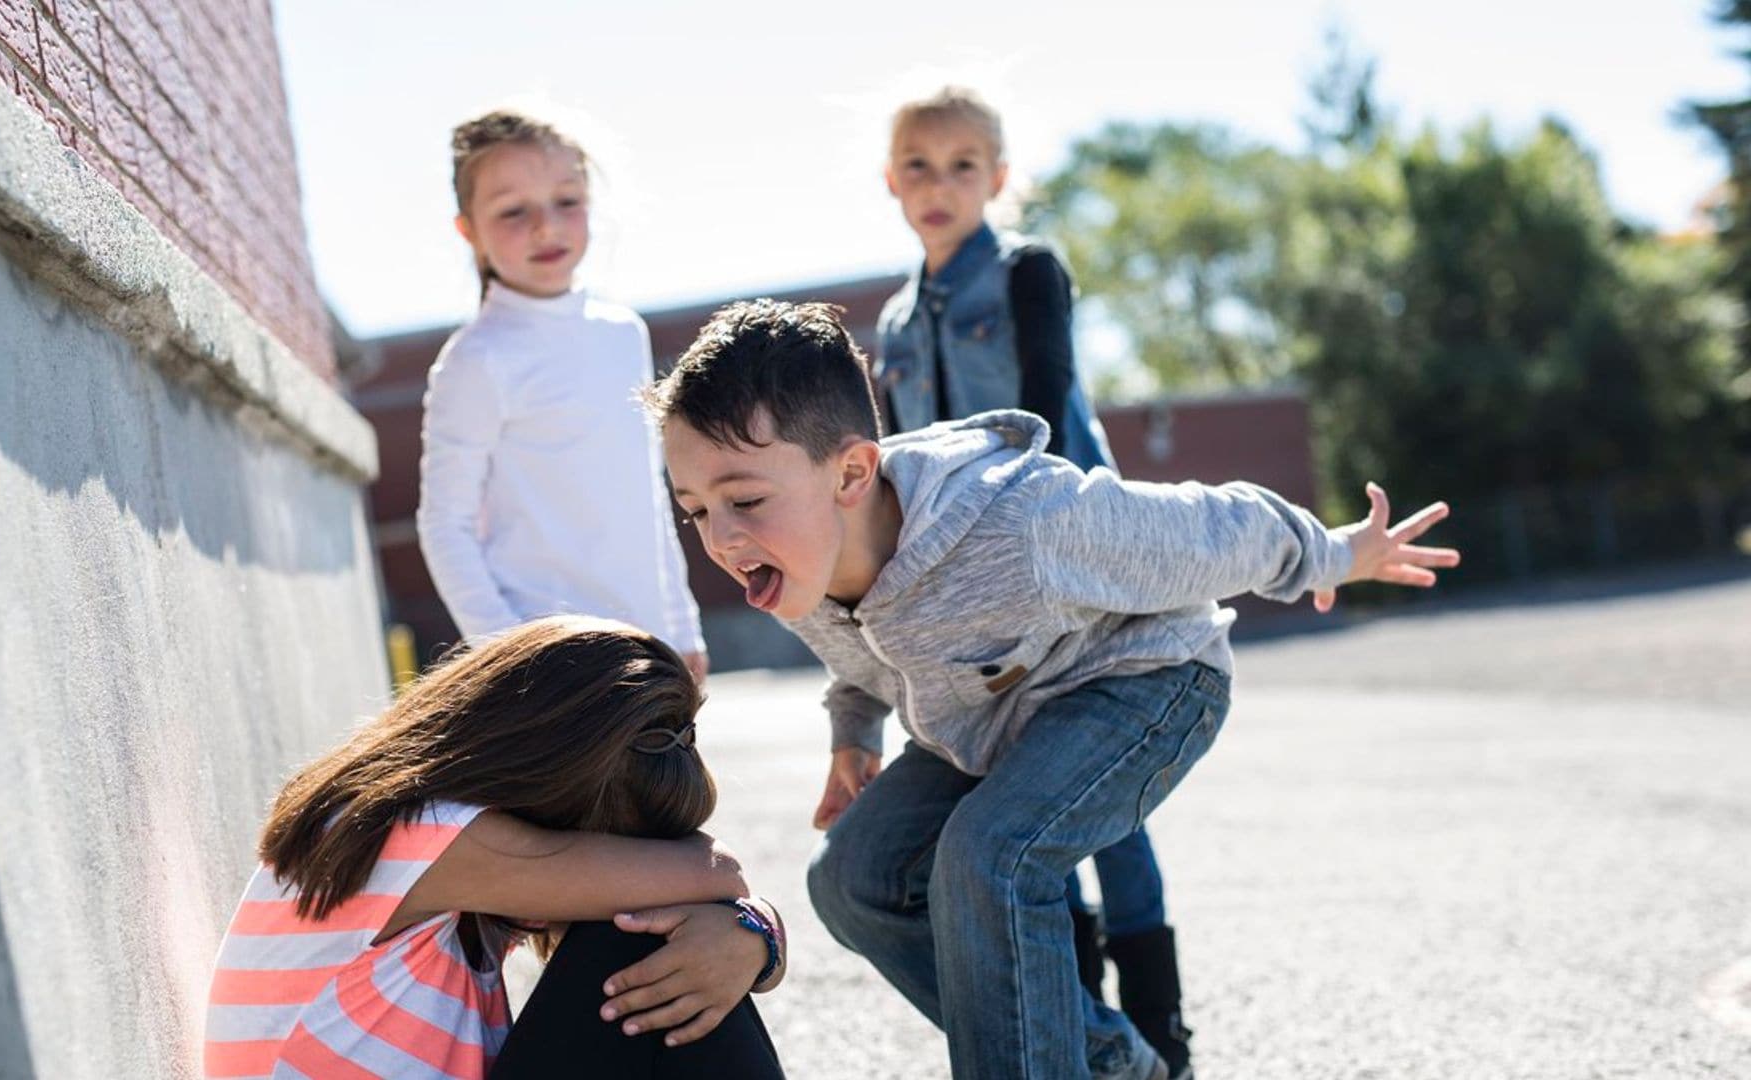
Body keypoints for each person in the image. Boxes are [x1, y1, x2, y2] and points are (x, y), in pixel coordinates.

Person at [646, 300, 1458, 1080]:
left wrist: (1335, 554)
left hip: (1145, 684)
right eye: (695, 511)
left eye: (744, 498)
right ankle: (1100, 1059)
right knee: (852, 878)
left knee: (988, 858)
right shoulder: (797, 560)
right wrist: (852, 732)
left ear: (852, 472)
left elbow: (1211, 527)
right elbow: (859, 657)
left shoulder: (1023, 522)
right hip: (993, 717)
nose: (721, 537)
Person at [872, 85, 1181, 1069]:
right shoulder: (891, 323)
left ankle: (1160, 1034)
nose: (940, 183)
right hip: (969, 600)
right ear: (891, 180)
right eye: (919, 164)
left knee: (1106, 808)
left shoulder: (1025, 274)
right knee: (1027, 806)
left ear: (998, 179)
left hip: (1074, 570)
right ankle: (1089, 1029)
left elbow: (1048, 402)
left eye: (964, 164)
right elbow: (896, 463)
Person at [203, 616, 787, 1079]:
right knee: (635, 936)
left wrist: (750, 938)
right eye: (605, 846)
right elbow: (718, 873)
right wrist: (750, 926)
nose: (615, 868)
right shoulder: (417, 831)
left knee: (666, 942)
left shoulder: (437, 850)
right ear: (548, 782)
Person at [418, 110, 707, 681]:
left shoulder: (624, 333)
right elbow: (443, 524)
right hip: (550, 667)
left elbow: (649, 496)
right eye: (512, 211)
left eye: (566, 201)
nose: (546, 227)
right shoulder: (477, 359)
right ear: (468, 230)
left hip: (649, 649)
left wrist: (682, 626)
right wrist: (509, 653)